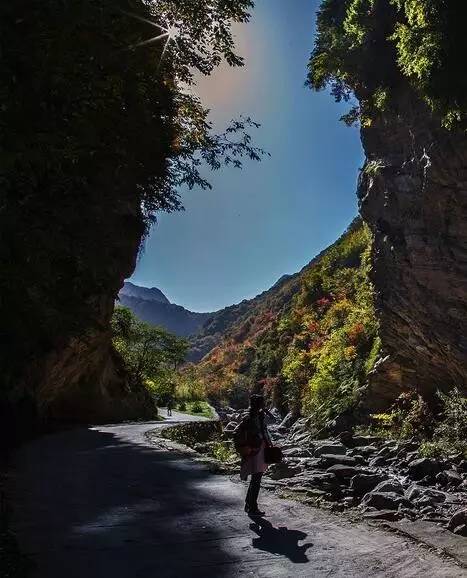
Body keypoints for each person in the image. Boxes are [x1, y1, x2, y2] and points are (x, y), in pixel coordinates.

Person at [234, 394, 272, 516]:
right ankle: (252, 507)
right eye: (263, 403)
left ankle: (249, 504)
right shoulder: (255, 417)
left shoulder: (250, 416)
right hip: (257, 450)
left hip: (252, 450)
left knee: (255, 478)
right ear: (260, 404)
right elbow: (263, 430)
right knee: (256, 479)